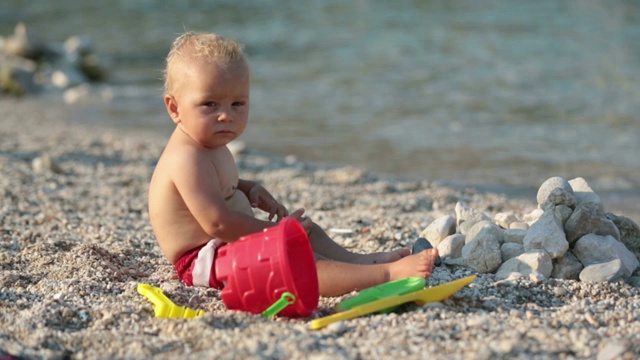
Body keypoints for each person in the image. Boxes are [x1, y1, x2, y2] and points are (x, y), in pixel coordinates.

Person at [148, 32, 439, 297]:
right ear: (175, 108)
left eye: (238, 104)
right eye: (210, 104)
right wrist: (276, 232)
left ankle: (360, 262)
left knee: (307, 230)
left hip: (223, 244)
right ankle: (384, 274)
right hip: (205, 260)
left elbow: (218, 187)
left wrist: (248, 189)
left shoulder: (208, 141)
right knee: (291, 258)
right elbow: (218, 222)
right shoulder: (186, 157)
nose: (226, 116)